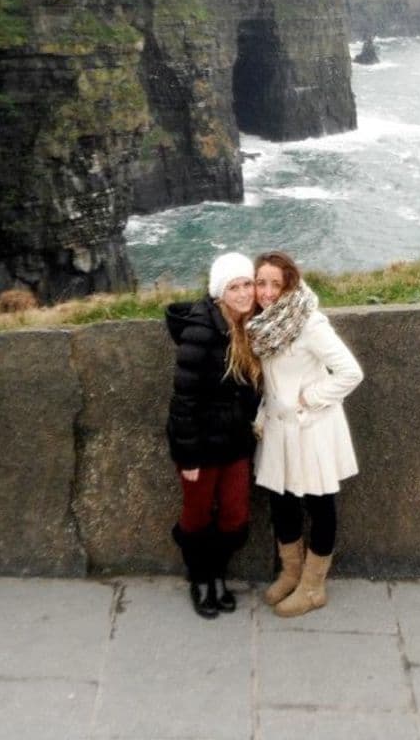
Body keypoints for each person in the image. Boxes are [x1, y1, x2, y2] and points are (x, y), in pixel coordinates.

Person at [248, 250, 363, 617]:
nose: (266, 292)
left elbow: (350, 372)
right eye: (260, 283)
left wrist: (308, 398)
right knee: (282, 502)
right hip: (279, 429)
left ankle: (313, 587)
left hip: (311, 428)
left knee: (319, 503)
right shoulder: (264, 324)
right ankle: (292, 572)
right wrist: (266, 411)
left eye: (274, 284)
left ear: (290, 285)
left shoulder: (308, 322)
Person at [165, 252, 261, 619]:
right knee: (198, 515)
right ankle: (200, 577)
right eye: (234, 287)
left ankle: (218, 571)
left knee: (235, 515)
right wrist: (187, 457)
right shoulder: (202, 329)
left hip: (234, 441)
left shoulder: (251, 325)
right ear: (220, 293)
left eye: (247, 284)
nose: (243, 293)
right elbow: (183, 399)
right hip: (201, 445)